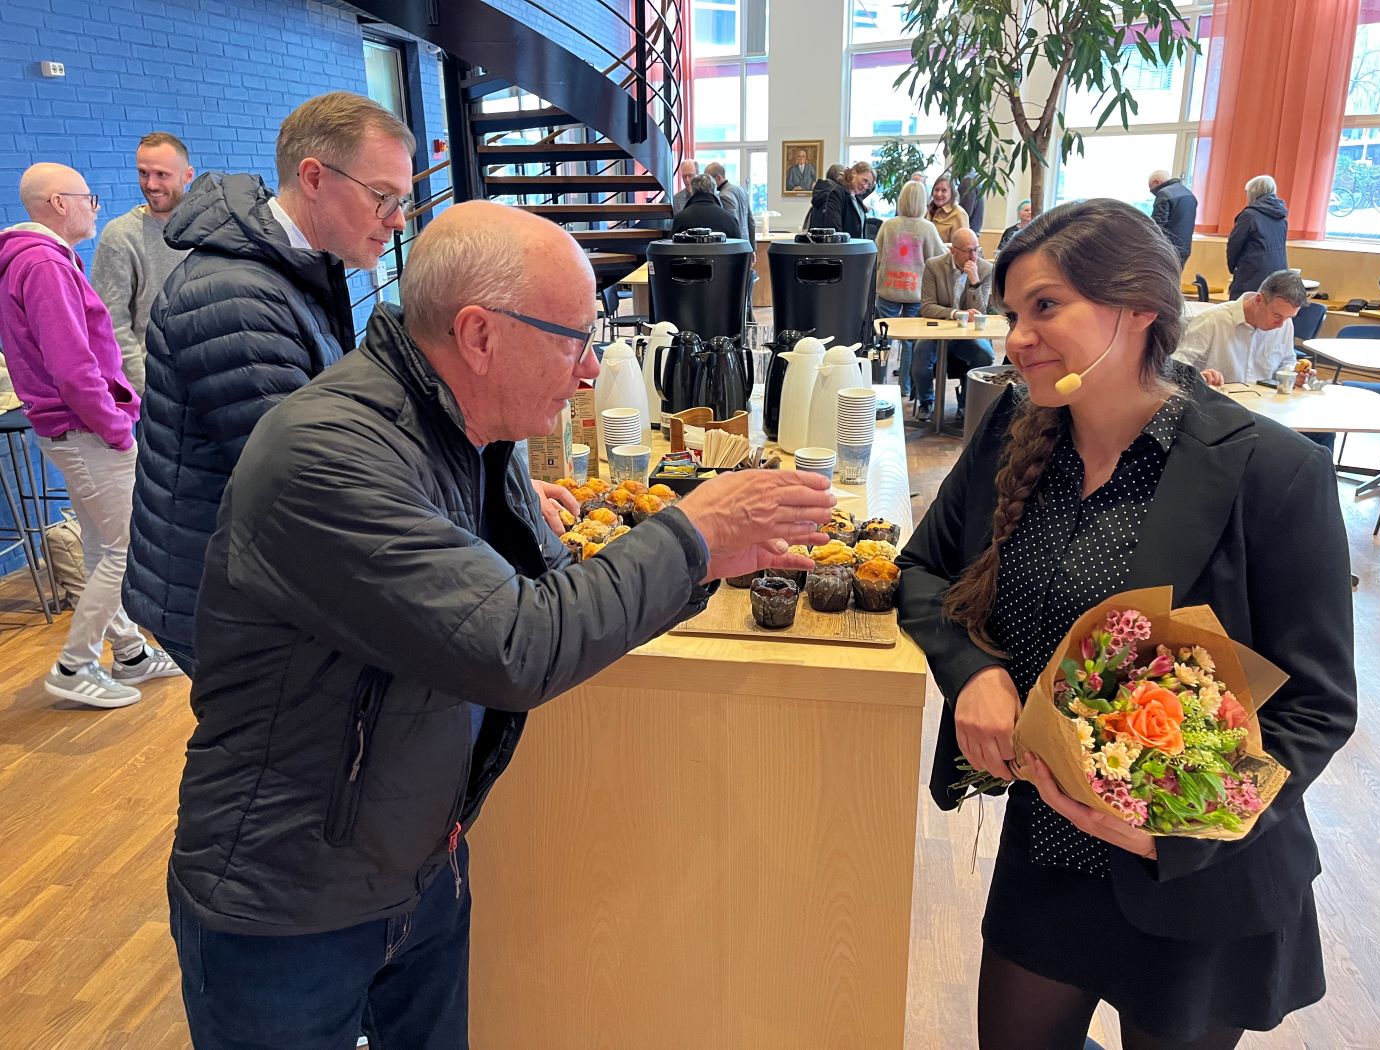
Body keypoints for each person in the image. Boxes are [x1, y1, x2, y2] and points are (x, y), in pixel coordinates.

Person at [166, 199, 836, 1050]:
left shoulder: (474, 432)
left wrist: (700, 562)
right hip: (289, 900)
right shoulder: (325, 453)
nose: (589, 369)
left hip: (420, 864)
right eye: (573, 339)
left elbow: (555, 594)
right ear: (479, 335)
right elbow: (515, 645)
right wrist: (690, 535)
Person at [896, 198, 1355, 1050]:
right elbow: (922, 570)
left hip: (1200, 877)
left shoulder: (1271, 472)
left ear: (1139, 307)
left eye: (1045, 306)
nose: (1018, 338)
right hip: (1050, 847)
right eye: (1011, 313)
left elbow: (1317, 706)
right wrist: (976, 674)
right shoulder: (1013, 434)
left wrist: (1172, 832)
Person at [124, 91, 415, 676]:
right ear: (314, 177)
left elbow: (339, 423)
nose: (397, 220)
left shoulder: (293, 269)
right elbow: (311, 479)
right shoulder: (237, 293)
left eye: (401, 201)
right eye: (382, 196)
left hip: (245, 576)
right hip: (220, 599)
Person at [0, 164, 183, 707]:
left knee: (104, 545)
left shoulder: (38, 259)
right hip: (86, 429)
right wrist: (116, 428)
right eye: (89, 197)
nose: (95, 207)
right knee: (127, 548)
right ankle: (74, 664)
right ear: (60, 203)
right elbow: (72, 365)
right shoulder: (42, 264)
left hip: (77, 428)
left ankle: (129, 651)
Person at [90, 132, 195, 395]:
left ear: (187, 175)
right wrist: (144, 388)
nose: (151, 184)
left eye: (162, 174)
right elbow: (112, 324)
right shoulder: (120, 236)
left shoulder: (208, 229)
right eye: (143, 173)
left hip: (210, 378)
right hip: (157, 387)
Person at [911, 227, 995, 423]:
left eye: (976, 249)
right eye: (968, 250)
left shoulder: (985, 269)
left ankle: (965, 403)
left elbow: (980, 312)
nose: (973, 256)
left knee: (985, 355)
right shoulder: (934, 266)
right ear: (953, 251)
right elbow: (927, 306)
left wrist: (974, 282)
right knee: (921, 354)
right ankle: (926, 400)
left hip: (967, 336)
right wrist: (957, 314)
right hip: (936, 331)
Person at [874, 180, 947, 397]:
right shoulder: (927, 228)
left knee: (883, 338)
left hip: (888, 289)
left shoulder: (888, 226)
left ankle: (878, 383)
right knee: (909, 342)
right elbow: (939, 257)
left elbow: (876, 255)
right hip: (916, 292)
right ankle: (904, 387)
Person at [1174, 269, 1306, 387]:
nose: (1281, 324)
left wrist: (1293, 374)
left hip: (1265, 401)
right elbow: (1176, 364)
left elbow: (1286, 361)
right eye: (1277, 316)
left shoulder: (1285, 323)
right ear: (1258, 300)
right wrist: (1198, 377)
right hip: (1219, 400)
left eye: (1289, 317)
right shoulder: (1212, 320)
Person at [1227, 174, 1289, 300]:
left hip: (1252, 275)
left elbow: (1234, 245)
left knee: (1243, 309)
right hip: (1279, 275)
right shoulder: (1281, 217)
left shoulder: (1249, 215)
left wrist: (1233, 268)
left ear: (1253, 193)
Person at [1148, 169, 1198, 270]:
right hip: (1185, 248)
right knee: (1175, 277)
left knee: (1160, 277)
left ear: (1156, 182)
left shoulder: (1164, 194)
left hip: (1168, 249)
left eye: (1151, 189)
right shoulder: (1189, 194)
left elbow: (1158, 225)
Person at [810, 161, 873, 240]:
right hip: (843, 246)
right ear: (853, 173)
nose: (865, 186)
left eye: (868, 184)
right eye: (865, 180)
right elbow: (835, 230)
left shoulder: (855, 196)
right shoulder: (837, 193)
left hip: (853, 245)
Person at [671, 172, 742, 239]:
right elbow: (739, 246)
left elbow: (670, 246)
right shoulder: (730, 220)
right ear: (714, 191)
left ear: (692, 191)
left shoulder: (680, 219)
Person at [705, 161, 755, 247]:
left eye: (710, 180)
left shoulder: (723, 196)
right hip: (746, 245)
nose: (708, 184)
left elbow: (731, 225)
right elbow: (751, 222)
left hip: (735, 246)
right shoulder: (741, 190)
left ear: (719, 177)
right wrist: (752, 248)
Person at [927, 174, 970, 244]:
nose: (938, 194)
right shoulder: (928, 211)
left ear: (952, 193)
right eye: (936, 190)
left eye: (944, 191)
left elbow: (962, 245)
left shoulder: (959, 214)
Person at [803, 164, 846, 230]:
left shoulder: (821, 189)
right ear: (839, 176)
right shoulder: (835, 193)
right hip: (828, 233)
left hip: (816, 232)